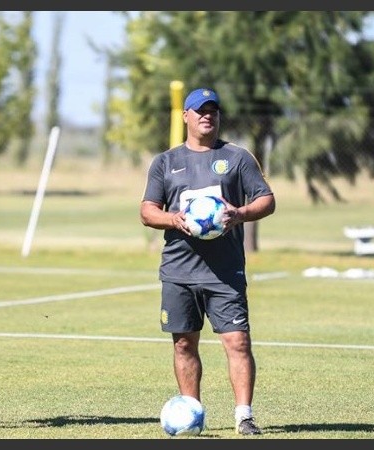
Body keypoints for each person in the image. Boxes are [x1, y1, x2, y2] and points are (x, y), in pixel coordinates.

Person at [139, 87, 276, 436]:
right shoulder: (165, 162)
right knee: (184, 343)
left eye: (213, 110)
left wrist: (240, 213)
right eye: (200, 110)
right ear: (185, 115)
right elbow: (146, 211)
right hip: (179, 270)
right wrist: (174, 220)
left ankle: (244, 416)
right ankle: (191, 412)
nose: (207, 115)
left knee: (238, 342)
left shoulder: (238, 158)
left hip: (224, 272)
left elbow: (267, 200)